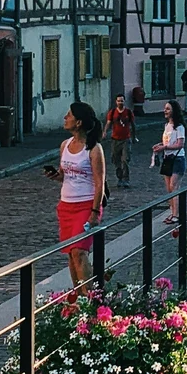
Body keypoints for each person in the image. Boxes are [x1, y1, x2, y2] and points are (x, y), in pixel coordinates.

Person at [46, 101, 107, 285]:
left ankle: (90, 301)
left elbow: (99, 184)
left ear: (78, 122)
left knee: (79, 252)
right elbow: (65, 175)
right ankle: (78, 298)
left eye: (69, 115)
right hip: (66, 206)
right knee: (71, 254)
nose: (65, 118)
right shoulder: (64, 145)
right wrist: (56, 176)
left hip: (86, 206)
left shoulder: (94, 149)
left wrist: (95, 213)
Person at [153, 99, 187, 224]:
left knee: (174, 187)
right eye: (165, 108)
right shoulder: (167, 126)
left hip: (177, 159)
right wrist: (160, 145)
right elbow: (169, 142)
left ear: (174, 111)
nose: (165, 111)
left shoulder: (179, 127)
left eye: (168, 109)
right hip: (167, 159)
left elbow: (180, 144)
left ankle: (176, 215)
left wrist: (165, 147)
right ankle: (172, 211)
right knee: (169, 189)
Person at [103, 96, 136, 201]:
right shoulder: (112, 112)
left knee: (125, 159)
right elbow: (108, 123)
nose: (120, 102)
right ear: (116, 102)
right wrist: (104, 132)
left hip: (126, 139)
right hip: (115, 139)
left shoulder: (128, 112)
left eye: (122, 100)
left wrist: (134, 136)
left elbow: (133, 124)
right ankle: (119, 178)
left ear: (124, 101)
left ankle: (126, 179)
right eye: (118, 100)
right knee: (115, 159)